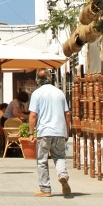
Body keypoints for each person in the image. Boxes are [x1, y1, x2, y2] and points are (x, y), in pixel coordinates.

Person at [27, 68, 72, 197]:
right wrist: (67, 131)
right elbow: (67, 114)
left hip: (44, 132)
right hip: (59, 131)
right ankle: (62, 174)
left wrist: (31, 133)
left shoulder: (37, 93)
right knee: (59, 156)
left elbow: (33, 115)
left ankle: (45, 188)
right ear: (50, 78)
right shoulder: (59, 93)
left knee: (42, 160)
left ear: (37, 80)